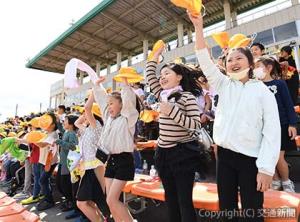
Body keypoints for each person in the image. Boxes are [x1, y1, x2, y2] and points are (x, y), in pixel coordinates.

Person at [189, 11, 281, 222]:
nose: (233, 62)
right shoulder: (223, 84)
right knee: (226, 210)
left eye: (239, 58)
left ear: (250, 63)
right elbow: (204, 58)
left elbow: (272, 132)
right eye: (229, 60)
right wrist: (198, 28)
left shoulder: (263, 92)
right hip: (225, 157)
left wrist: (266, 169)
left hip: (252, 160)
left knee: (252, 211)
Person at [146, 43, 202, 221]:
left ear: (179, 77)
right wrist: (155, 56)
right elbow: (149, 76)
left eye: (166, 73)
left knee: (184, 201)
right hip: (163, 153)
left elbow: (195, 125)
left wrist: (171, 111)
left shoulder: (187, 97)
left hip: (182, 154)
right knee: (170, 199)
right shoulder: (162, 94)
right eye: (161, 75)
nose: (161, 78)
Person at [93, 76, 139, 222]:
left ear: (121, 104)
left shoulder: (128, 119)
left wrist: (125, 85)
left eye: (112, 103)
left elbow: (130, 103)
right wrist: (97, 86)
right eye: (108, 104)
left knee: (112, 200)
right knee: (109, 201)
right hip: (110, 160)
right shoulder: (108, 119)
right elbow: (101, 101)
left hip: (124, 160)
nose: (109, 106)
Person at [255, 56, 297, 192]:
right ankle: (276, 180)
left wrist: (292, 124)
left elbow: (288, 104)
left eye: (258, 66)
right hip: (264, 128)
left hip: (282, 125)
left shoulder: (279, 84)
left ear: (269, 68)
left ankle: (286, 182)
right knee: (268, 157)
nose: (255, 70)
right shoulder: (255, 86)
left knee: (278, 157)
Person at [75, 96, 111, 222]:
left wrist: (93, 94)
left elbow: (87, 108)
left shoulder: (97, 126)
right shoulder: (89, 128)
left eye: (86, 114)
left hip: (95, 167)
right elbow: (76, 123)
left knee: (82, 203)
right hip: (89, 167)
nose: (84, 115)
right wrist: (84, 115)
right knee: (90, 202)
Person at [34, 113, 59, 211]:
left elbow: (42, 145)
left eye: (47, 123)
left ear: (53, 125)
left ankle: (49, 201)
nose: (44, 125)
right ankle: (47, 198)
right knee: (44, 180)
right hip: (43, 161)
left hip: (50, 162)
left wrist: (32, 138)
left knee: (42, 180)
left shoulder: (54, 134)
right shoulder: (46, 133)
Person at [55, 115, 78, 211]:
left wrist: (59, 142)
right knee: (60, 183)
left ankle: (71, 202)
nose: (64, 122)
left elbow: (73, 147)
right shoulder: (67, 132)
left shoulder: (72, 133)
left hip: (67, 163)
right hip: (62, 162)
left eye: (66, 120)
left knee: (64, 184)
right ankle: (69, 200)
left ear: (71, 123)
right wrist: (57, 122)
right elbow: (61, 129)